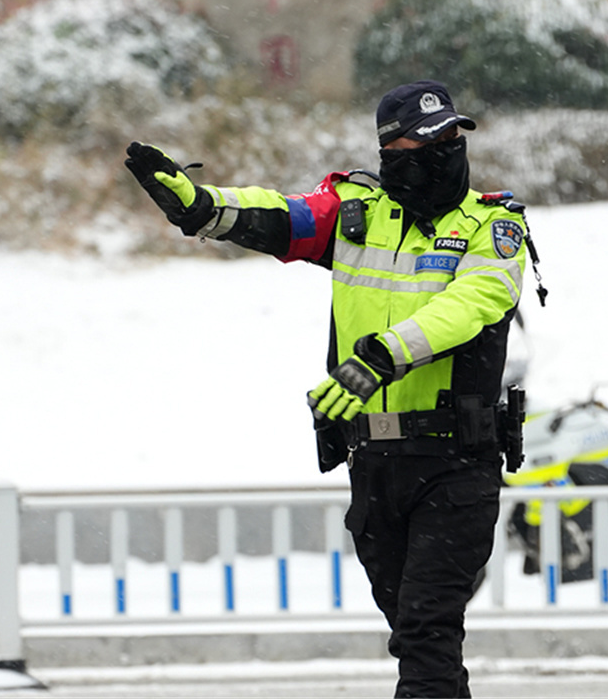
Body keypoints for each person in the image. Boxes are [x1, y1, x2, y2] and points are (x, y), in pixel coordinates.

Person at [124, 79, 540, 698]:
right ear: (390, 150)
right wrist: (203, 206)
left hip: (456, 463)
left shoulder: (492, 225)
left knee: (427, 631)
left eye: (453, 136)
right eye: (428, 140)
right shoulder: (355, 214)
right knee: (417, 639)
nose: (446, 148)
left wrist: (381, 356)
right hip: (373, 463)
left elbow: (473, 301)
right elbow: (278, 217)